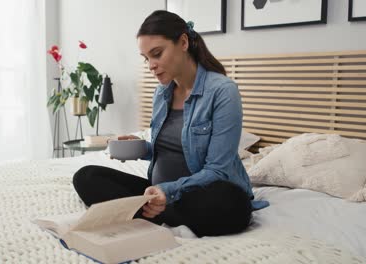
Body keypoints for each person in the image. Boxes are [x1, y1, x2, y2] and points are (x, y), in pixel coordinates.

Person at [73, 10, 268, 237]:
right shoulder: (162, 92)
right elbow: (170, 148)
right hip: (157, 193)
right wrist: (139, 148)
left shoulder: (223, 91)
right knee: (86, 177)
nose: (151, 66)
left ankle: (150, 212)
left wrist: (169, 191)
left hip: (201, 192)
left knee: (229, 204)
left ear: (183, 42)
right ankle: (161, 212)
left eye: (157, 54)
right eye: (146, 58)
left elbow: (218, 169)